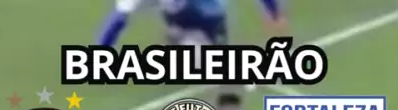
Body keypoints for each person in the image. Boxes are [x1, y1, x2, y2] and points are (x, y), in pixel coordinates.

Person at [98, 0, 286, 50]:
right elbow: (118, 19)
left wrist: (274, 13)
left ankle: (183, 38)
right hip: (178, 13)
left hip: (209, 10)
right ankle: (179, 36)